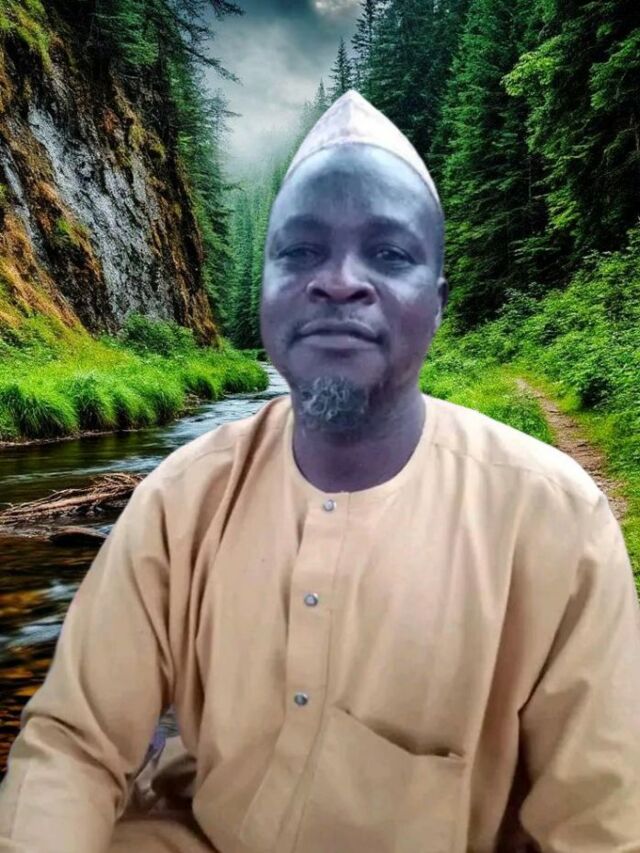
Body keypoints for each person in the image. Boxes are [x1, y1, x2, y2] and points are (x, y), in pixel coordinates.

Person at [0, 89, 639, 853]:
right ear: (266, 290)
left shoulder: (556, 521)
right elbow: (75, 743)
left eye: (389, 254)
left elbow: (600, 820)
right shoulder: (181, 499)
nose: (338, 280)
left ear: (437, 304)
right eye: (300, 252)